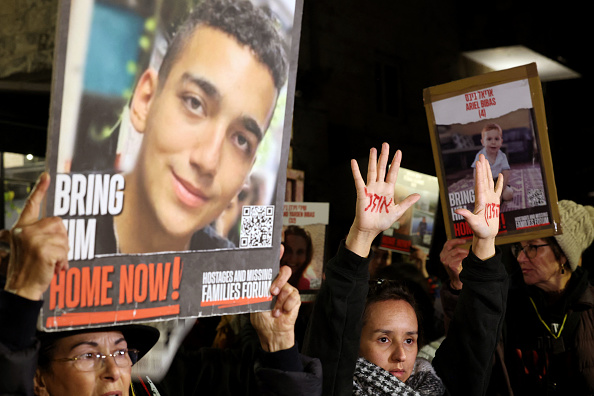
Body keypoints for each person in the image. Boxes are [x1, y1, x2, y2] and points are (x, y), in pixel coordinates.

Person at [0, 173, 322, 396]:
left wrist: (279, 342)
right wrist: (23, 293)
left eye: (123, 351)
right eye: (88, 356)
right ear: (38, 379)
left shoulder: (158, 385)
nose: (114, 371)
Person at [303, 143, 509, 396]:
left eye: (409, 340)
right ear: (354, 341)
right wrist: (362, 235)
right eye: (384, 339)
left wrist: (486, 242)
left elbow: (475, 340)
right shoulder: (335, 386)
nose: (400, 355)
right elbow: (333, 330)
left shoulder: (438, 385)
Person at [96, 0, 289, 254]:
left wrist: (275, 295)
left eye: (241, 140)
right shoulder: (64, 223)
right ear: (146, 100)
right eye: (195, 103)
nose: (208, 161)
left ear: (248, 170)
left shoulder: (229, 274)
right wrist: (27, 291)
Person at [440, 199, 594, 395]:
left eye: (533, 247)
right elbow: (468, 360)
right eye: (519, 248)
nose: (521, 257)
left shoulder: (590, 306)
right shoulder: (506, 300)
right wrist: (461, 286)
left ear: (563, 255)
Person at [471, 123, 513, 201]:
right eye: (489, 139)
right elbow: (476, 174)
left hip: (498, 182)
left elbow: (506, 174)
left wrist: (500, 191)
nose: (493, 142)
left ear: (501, 142)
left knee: (508, 195)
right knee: (476, 197)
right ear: (483, 142)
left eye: (497, 139)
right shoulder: (480, 156)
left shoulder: (502, 156)